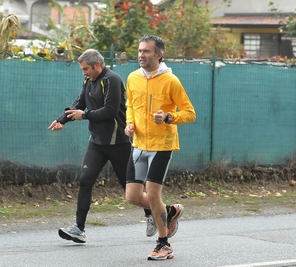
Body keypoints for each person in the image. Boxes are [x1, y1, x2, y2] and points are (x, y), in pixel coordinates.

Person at [48, 49, 133, 243]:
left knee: (129, 187)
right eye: (82, 69)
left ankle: (156, 214)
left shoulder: (112, 80)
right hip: (97, 142)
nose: (84, 72)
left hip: (117, 142)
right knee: (85, 180)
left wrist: (84, 115)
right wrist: (61, 119)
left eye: (86, 68)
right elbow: (80, 102)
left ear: (97, 65)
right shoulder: (89, 81)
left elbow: (110, 111)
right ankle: (79, 229)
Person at [124, 35, 196, 260]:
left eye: (146, 51)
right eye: (140, 51)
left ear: (158, 55)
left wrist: (167, 117)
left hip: (161, 146)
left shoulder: (170, 81)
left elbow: (189, 113)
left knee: (154, 195)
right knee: (132, 197)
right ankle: (171, 211)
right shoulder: (133, 78)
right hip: (138, 145)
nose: (141, 55)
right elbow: (130, 105)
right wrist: (129, 123)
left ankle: (164, 244)